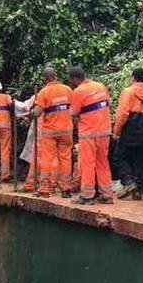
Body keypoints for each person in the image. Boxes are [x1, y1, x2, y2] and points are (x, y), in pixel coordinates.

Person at [69, 66, 114, 205]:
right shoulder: (101, 86)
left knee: (87, 163)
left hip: (89, 132)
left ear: (75, 79)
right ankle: (106, 194)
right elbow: (109, 103)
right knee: (103, 162)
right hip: (105, 131)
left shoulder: (78, 91)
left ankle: (87, 195)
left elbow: (74, 112)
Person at [28, 68, 74, 197]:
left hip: (50, 131)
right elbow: (75, 108)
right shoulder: (68, 89)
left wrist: (30, 113)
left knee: (47, 159)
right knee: (65, 159)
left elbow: (37, 113)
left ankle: (44, 189)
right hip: (66, 130)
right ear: (56, 76)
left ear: (45, 78)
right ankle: (65, 189)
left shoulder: (44, 92)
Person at [112, 68, 143, 200]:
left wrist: (116, 132)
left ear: (133, 78)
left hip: (132, 124)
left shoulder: (128, 92)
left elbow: (123, 113)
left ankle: (129, 181)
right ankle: (136, 184)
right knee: (140, 158)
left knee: (119, 156)